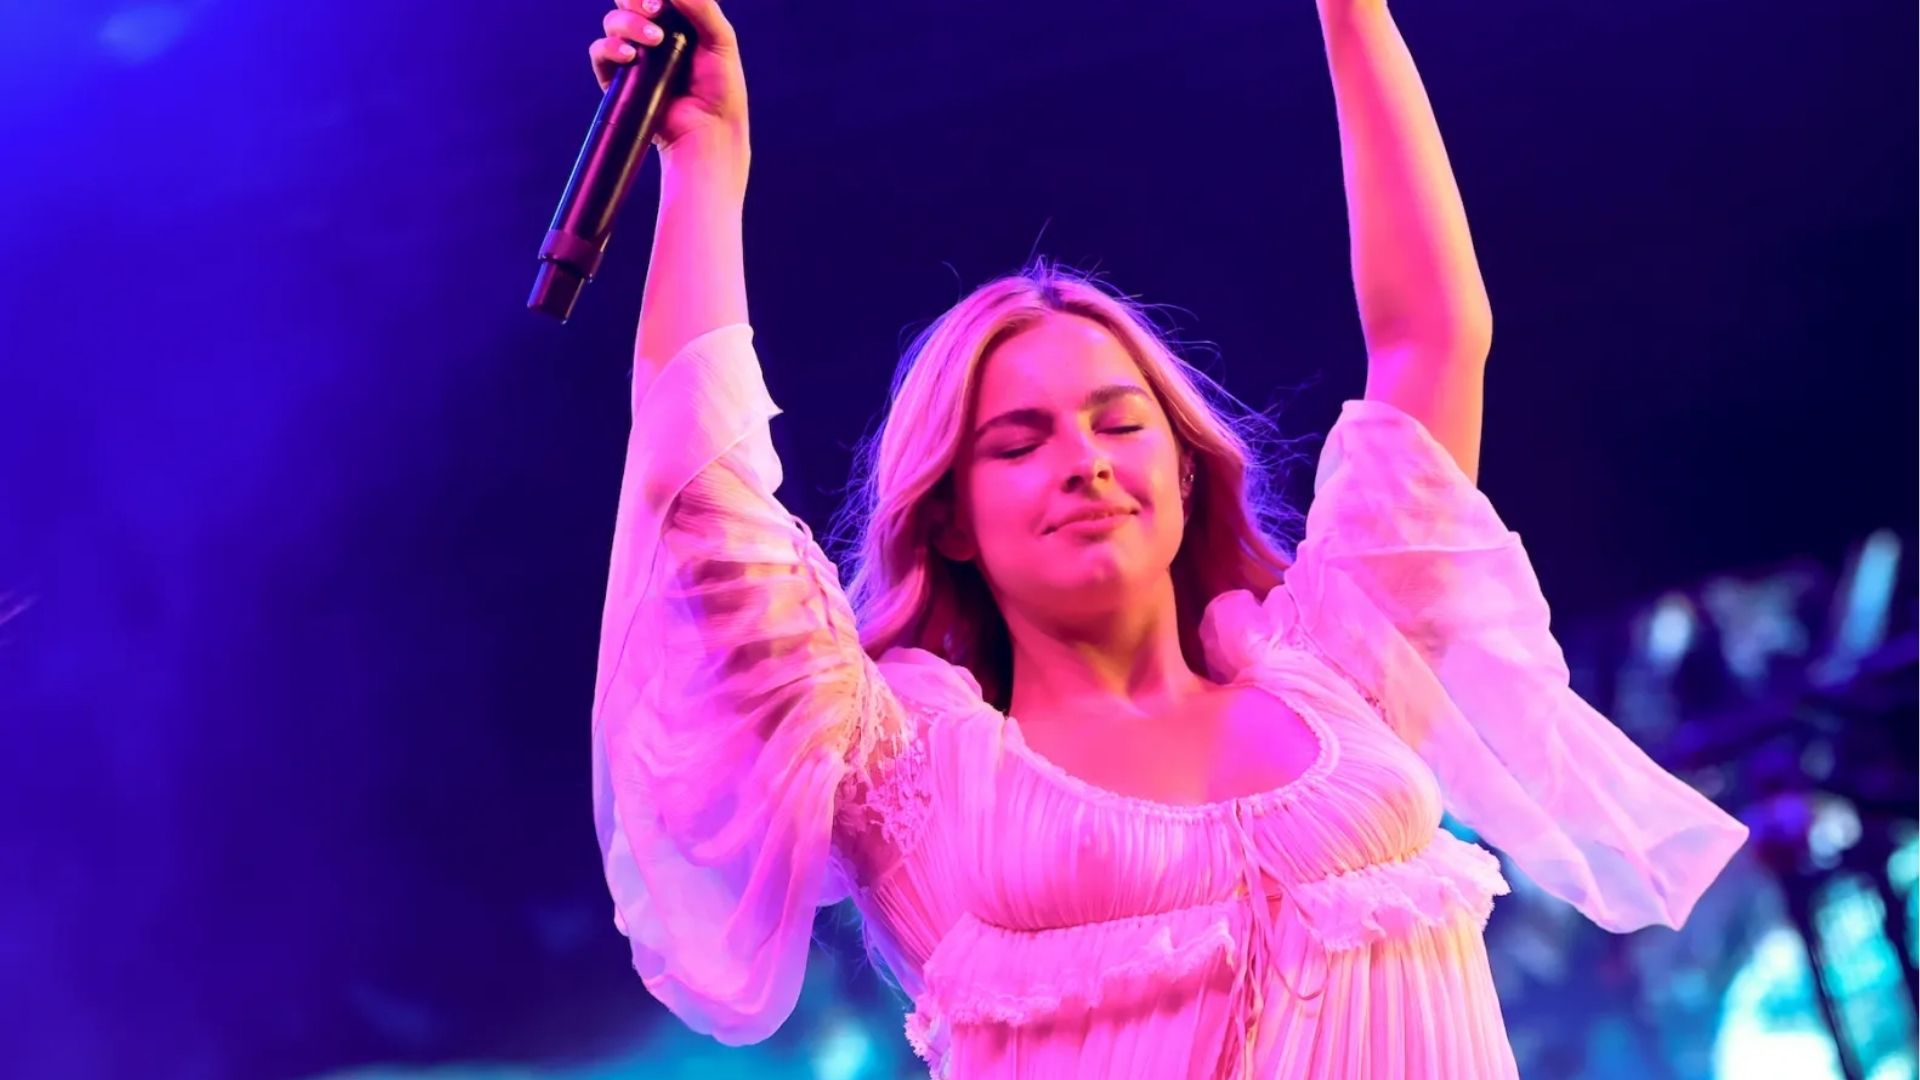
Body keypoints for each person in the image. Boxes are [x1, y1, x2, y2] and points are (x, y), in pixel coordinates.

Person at [584, 1, 1749, 1076]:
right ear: (948, 518)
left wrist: (1354, 12)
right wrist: (705, 166)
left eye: (1119, 422)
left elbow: (1431, 337)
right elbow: (702, 510)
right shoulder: (907, 768)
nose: (1084, 461)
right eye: (1019, 442)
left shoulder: (1338, 662)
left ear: (1185, 471)